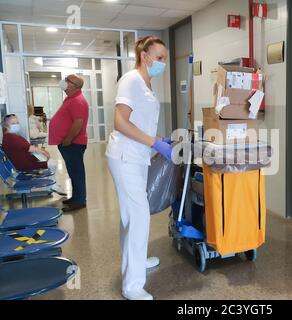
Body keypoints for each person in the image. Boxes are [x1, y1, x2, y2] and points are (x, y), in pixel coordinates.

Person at [105, 36, 173, 301]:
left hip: (137, 155)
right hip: (125, 156)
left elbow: (140, 121)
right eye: (160, 58)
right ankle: (132, 285)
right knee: (140, 215)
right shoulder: (131, 80)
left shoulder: (146, 83)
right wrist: (155, 142)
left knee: (130, 215)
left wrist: (157, 140)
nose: (162, 63)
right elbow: (120, 123)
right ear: (145, 56)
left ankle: (136, 260)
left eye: (164, 59)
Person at [48, 74, 89, 213]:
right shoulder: (70, 99)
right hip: (69, 144)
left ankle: (80, 201)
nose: (64, 82)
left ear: (74, 86)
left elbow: (78, 123)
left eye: (67, 80)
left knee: (76, 173)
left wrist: (68, 139)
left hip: (73, 144)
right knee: (73, 172)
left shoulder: (78, 100)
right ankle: (76, 197)